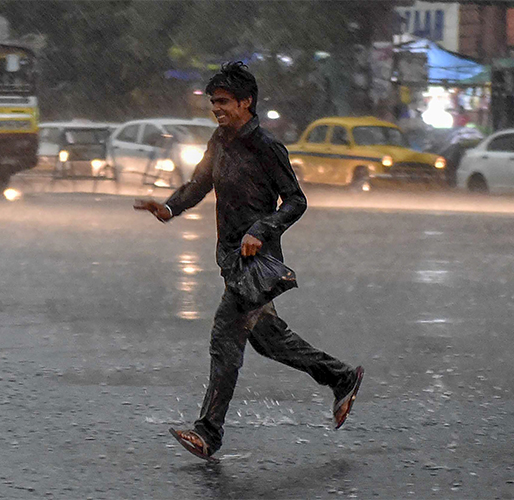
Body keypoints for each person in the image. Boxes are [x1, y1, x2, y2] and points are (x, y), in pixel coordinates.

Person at [133, 62, 364, 461]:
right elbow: (200, 184)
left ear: (247, 102)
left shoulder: (267, 147)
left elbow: (296, 201)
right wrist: (169, 208)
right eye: (213, 103)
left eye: (223, 102)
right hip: (231, 259)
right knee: (270, 340)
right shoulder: (219, 141)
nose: (217, 109)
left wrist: (262, 229)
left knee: (225, 339)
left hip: (256, 264)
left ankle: (208, 433)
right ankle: (342, 377)